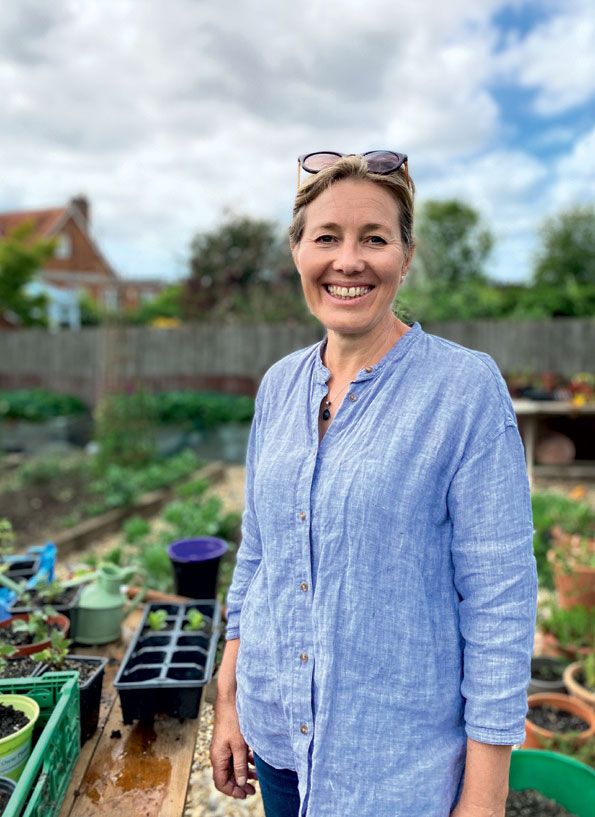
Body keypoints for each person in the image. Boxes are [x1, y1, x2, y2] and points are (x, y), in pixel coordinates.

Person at [209, 151, 538, 817]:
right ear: (298, 251)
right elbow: (258, 554)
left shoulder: (462, 389)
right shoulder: (278, 386)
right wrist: (228, 697)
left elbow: (499, 603)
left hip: (394, 768)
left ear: (405, 256)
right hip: (276, 739)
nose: (348, 260)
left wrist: (483, 797)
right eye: (326, 236)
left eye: (374, 238)